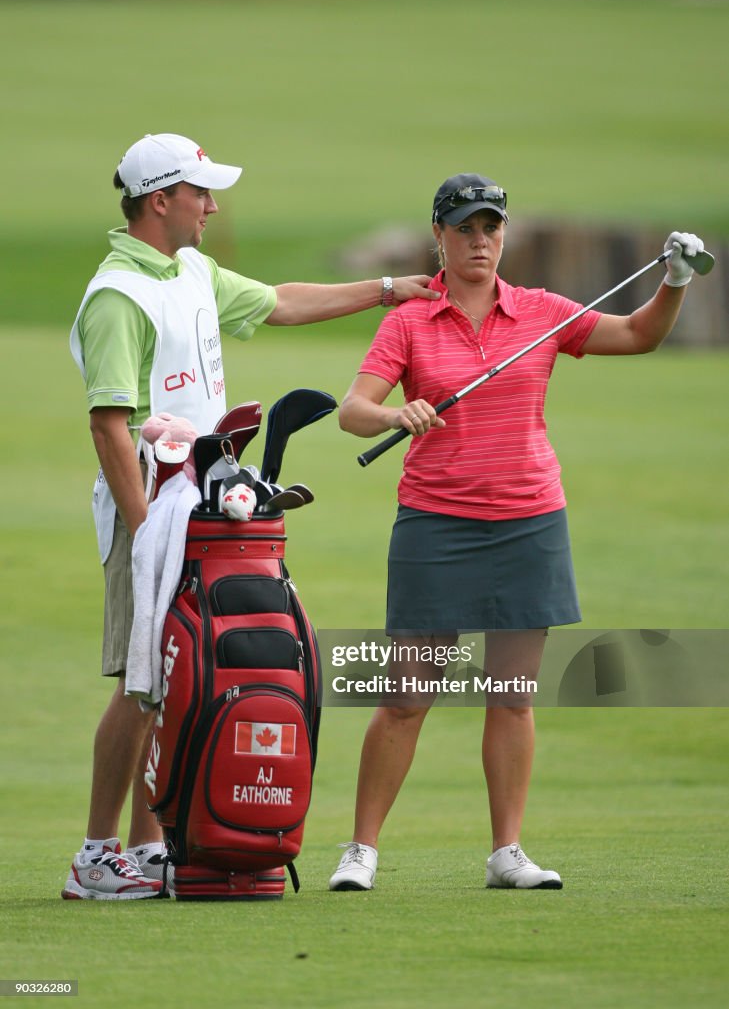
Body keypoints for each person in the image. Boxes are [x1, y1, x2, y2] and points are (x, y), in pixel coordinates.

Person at [63, 132, 440, 900]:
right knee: (142, 680)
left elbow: (280, 302)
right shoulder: (117, 295)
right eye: (199, 191)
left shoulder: (189, 269)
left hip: (202, 503)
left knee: (176, 675)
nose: (212, 204)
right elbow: (109, 425)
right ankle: (96, 854)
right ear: (159, 199)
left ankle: (151, 846)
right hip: (152, 505)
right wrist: (144, 535)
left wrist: (386, 289)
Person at [328, 172, 706, 892]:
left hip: (528, 519)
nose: (479, 241)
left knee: (511, 692)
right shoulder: (409, 319)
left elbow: (636, 335)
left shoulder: (539, 311)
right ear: (437, 235)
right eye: (465, 228)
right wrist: (393, 416)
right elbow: (353, 409)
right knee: (407, 695)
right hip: (436, 522)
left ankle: (507, 854)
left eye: (490, 227)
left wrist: (675, 282)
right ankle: (361, 850)